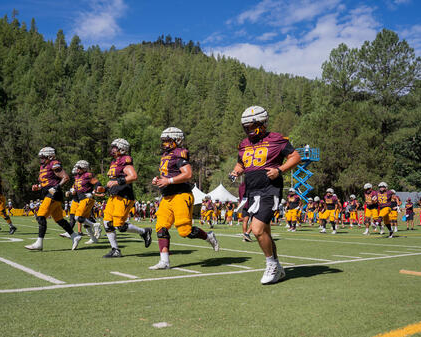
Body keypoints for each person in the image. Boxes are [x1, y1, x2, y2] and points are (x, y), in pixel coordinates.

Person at [230, 106, 301, 285]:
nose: (248, 130)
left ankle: (271, 264)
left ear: (262, 123)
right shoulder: (244, 144)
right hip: (252, 191)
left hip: (269, 189)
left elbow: (295, 157)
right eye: (246, 127)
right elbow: (241, 164)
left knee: (257, 229)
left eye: (251, 126)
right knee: (265, 231)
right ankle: (277, 266)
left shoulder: (276, 139)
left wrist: (280, 169)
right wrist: (236, 171)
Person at [150, 127, 219, 269]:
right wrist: (158, 180)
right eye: (164, 141)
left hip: (181, 195)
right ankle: (164, 261)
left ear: (177, 140)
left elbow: (188, 174)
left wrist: (168, 181)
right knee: (161, 227)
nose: (164, 143)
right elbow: (168, 175)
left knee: (185, 231)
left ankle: (209, 236)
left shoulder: (179, 154)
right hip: (167, 196)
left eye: (168, 141)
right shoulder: (165, 155)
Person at [99, 138, 152, 258]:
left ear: (122, 149)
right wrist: (105, 189)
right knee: (107, 223)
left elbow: (133, 176)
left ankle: (144, 232)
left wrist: (117, 181)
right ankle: (115, 250)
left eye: (115, 148)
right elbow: (113, 181)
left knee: (120, 226)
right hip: (113, 196)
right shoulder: (114, 162)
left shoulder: (125, 160)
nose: (112, 150)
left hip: (124, 197)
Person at [24, 147, 81, 250]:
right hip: (49, 194)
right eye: (41, 157)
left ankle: (39, 243)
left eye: (43, 157)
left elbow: (65, 177)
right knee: (59, 219)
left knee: (41, 216)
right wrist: (39, 186)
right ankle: (74, 236)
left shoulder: (53, 163)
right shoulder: (43, 167)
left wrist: (56, 187)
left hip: (53, 195)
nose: (41, 159)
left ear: (49, 156)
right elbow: (47, 182)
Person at [71, 160, 104, 244]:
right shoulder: (77, 177)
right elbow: (77, 188)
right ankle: (93, 238)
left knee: (77, 217)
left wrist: (97, 189)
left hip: (87, 199)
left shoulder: (87, 175)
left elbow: (97, 183)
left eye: (79, 167)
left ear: (84, 168)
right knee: (84, 220)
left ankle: (95, 225)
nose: (77, 169)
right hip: (81, 199)